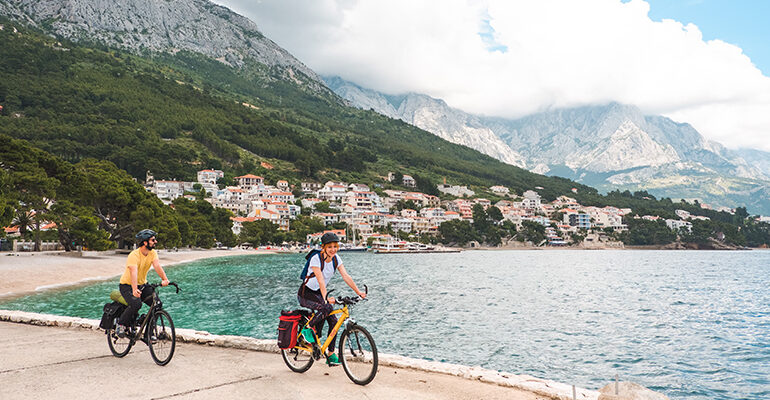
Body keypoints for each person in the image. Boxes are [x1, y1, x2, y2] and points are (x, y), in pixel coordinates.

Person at [298, 232, 366, 366]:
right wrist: (325, 299)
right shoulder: (316, 259)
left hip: (318, 293)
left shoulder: (336, 259)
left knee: (334, 321)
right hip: (306, 294)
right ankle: (307, 329)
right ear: (323, 247)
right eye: (329, 247)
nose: (333, 249)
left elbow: (346, 276)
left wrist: (359, 292)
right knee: (327, 307)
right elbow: (321, 281)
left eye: (335, 246)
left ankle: (330, 354)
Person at [115, 229, 170, 337]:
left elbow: (157, 266)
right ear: (145, 242)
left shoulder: (152, 253)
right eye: (153, 240)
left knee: (157, 304)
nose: (155, 242)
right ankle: (120, 324)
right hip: (127, 285)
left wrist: (165, 279)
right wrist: (134, 289)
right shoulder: (134, 255)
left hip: (143, 284)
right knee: (136, 304)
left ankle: (148, 334)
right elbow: (133, 272)